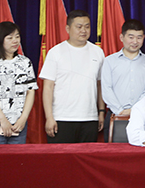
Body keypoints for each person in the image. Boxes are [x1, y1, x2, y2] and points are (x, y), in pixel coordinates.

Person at [40, 10, 106, 143]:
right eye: (79, 27)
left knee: (87, 156)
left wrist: (101, 112)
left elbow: (100, 85)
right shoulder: (56, 52)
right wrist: (49, 117)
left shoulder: (98, 52)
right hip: (61, 118)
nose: (83, 31)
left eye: (87, 26)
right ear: (68, 29)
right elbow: (48, 88)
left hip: (89, 118)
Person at [0, 22, 38, 144]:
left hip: (18, 124)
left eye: (17, 36)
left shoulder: (25, 62)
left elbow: (30, 91)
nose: (15, 41)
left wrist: (23, 118)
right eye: (10, 38)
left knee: (17, 157)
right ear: (0, 40)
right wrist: (2, 120)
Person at [101, 19, 145, 141]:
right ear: (122, 37)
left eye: (139, 37)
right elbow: (106, 89)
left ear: (143, 38)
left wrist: (134, 110)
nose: (135, 41)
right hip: (115, 115)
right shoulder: (110, 61)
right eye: (131, 37)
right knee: (113, 151)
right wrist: (120, 111)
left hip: (142, 117)